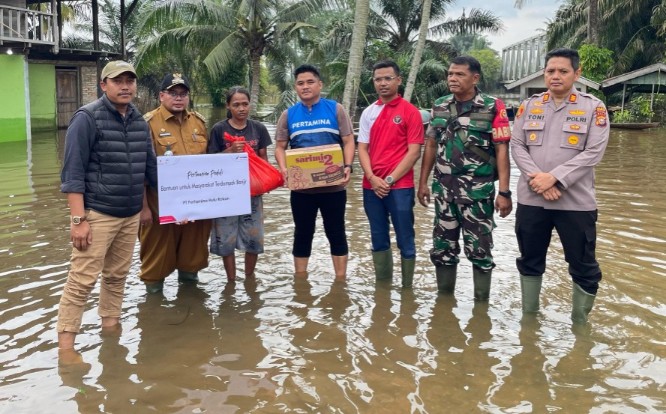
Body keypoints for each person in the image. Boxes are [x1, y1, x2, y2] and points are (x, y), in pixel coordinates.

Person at [57, 60, 157, 350]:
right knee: (81, 281)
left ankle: (110, 331)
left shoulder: (140, 122)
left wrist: (189, 197)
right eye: (117, 81)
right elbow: (72, 173)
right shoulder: (86, 118)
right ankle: (66, 349)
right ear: (104, 85)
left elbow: (150, 171)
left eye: (130, 80)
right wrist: (78, 220)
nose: (125, 86)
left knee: (116, 277)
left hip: (130, 215)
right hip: (97, 214)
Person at [511, 47, 610, 324]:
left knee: (583, 265)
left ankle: (580, 327)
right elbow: (517, 145)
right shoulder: (530, 105)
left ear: (576, 73)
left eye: (563, 71)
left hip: (576, 203)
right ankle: (529, 323)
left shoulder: (593, 107)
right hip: (532, 200)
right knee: (529, 261)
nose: (555, 76)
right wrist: (538, 180)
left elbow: (594, 152)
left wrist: (554, 178)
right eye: (550, 71)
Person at [418, 55, 512, 300]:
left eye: (459, 74)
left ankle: (481, 310)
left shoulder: (493, 106)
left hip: (477, 194)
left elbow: (502, 148)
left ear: (475, 78)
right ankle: (444, 305)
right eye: (450, 74)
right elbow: (430, 145)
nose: (452, 78)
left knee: (480, 251)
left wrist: (504, 192)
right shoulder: (439, 105)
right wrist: (423, 183)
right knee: (442, 249)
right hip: (444, 192)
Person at [274, 64, 355, 279]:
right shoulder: (288, 115)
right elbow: (280, 147)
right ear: (295, 87)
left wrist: (348, 166)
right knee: (302, 233)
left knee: (336, 232)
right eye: (300, 83)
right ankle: (300, 281)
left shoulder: (335, 109)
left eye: (310, 82)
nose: (305, 86)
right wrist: (284, 169)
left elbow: (348, 141)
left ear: (320, 84)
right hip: (302, 189)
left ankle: (340, 280)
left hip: (333, 187)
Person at [139, 72, 212, 293]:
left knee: (193, 257)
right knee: (155, 260)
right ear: (161, 96)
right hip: (159, 205)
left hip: (195, 206)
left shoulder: (198, 123)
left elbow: (210, 165)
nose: (178, 98)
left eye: (183, 93)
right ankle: (155, 308)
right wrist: (143, 208)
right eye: (173, 93)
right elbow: (139, 168)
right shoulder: (148, 123)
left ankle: (191, 305)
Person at [357, 60, 424, 288]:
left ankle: (407, 289)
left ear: (398, 80)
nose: (383, 83)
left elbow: (414, 152)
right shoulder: (369, 112)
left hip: (400, 186)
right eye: (378, 79)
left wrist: (388, 179)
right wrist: (373, 178)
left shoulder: (410, 112)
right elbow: (362, 149)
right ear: (373, 82)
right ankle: (382, 290)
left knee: (405, 236)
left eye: (388, 78)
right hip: (371, 186)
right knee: (378, 236)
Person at [208, 86, 272, 281]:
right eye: (236, 105)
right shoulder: (219, 129)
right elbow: (209, 162)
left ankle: (249, 279)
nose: (241, 108)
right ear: (228, 106)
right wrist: (230, 152)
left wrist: (267, 182)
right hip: (226, 193)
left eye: (245, 104)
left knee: (253, 238)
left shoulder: (258, 128)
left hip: (252, 192)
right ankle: (231, 281)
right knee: (226, 239)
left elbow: (264, 160)